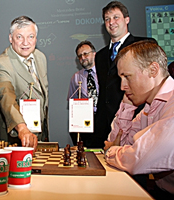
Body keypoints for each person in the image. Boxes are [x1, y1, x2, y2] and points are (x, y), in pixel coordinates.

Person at [104, 40, 174, 199]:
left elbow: (137, 159)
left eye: (127, 76)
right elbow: (119, 142)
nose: (122, 86)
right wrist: (127, 105)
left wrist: (110, 151)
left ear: (153, 70)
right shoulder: (150, 108)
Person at [93, 1, 156, 148]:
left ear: (127, 19)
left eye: (116, 17)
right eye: (107, 19)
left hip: (137, 123)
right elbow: (104, 92)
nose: (111, 22)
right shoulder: (100, 55)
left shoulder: (144, 45)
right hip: (107, 126)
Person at [0, 16, 49, 150]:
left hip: (40, 133)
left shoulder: (40, 57)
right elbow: (6, 97)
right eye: (19, 37)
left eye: (30, 36)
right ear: (11, 38)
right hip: (17, 137)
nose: (25, 43)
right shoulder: (1, 63)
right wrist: (22, 127)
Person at [67, 40, 98, 147]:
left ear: (94, 54)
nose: (83, 58)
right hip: (85, 122)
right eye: (79, 56)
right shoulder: (76, 77)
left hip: (103, 119)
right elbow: (72, 103)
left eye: (85, 54)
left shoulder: (103, 73)